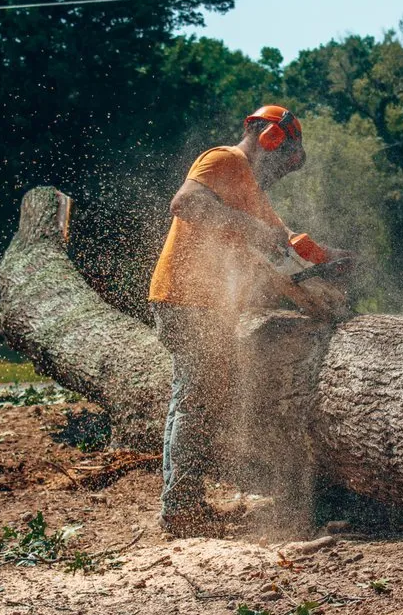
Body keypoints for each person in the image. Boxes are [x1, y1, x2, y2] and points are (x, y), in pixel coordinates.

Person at [147, 105, 348, 536]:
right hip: (185, 299)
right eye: (284, 156)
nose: (282, 170)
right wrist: (252, 229)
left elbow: (282, 260)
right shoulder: (224, 159)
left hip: (211, 307)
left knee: (205, 399)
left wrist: (326, 268)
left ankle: (185, 500)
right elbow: (185, 203)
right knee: (194, 401)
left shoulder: (255, 195)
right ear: (270, 137)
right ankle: (179, 511)